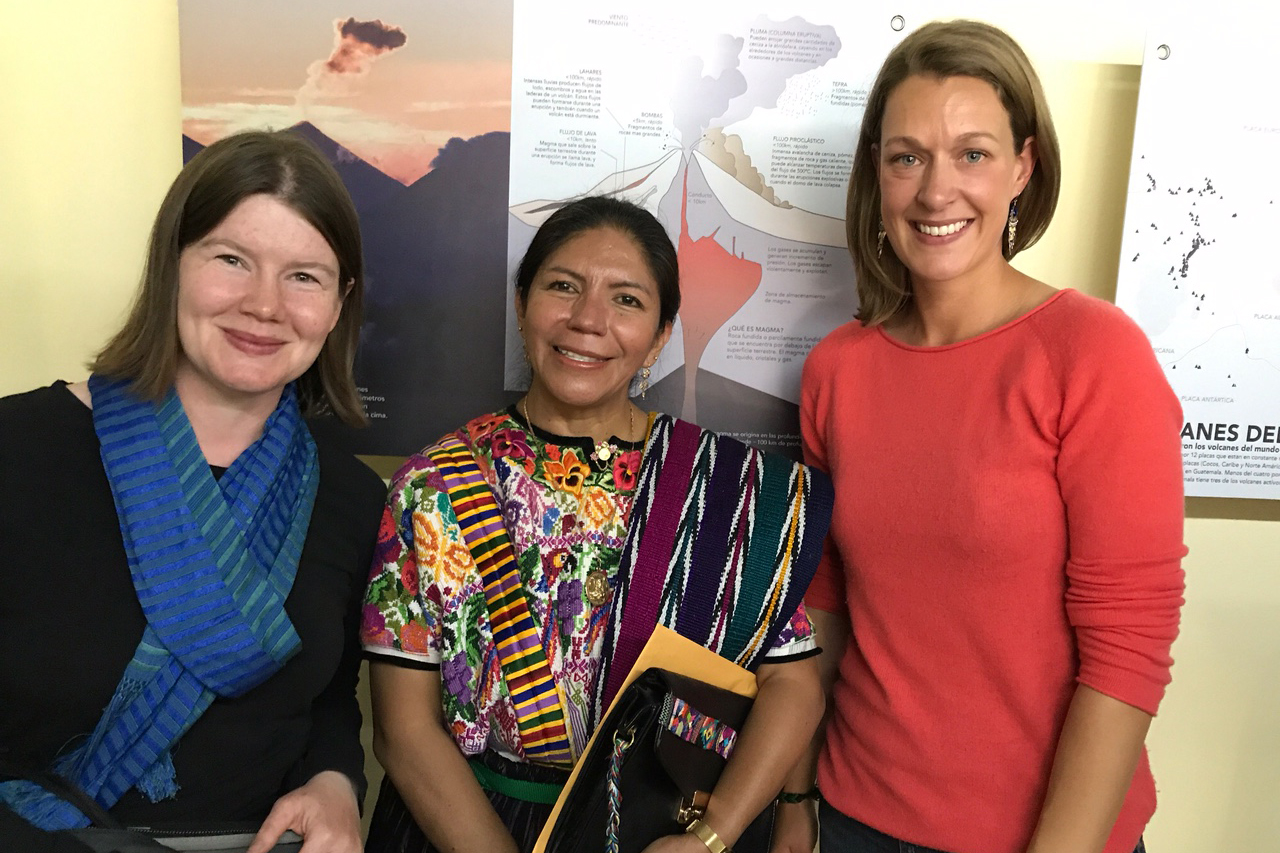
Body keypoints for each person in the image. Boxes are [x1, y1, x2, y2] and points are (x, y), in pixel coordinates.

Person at [783, 19, 1187, 853]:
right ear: (878, 174)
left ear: (1023, 168)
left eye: (972, 153)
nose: (937, 192)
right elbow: (824, 604)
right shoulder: (837, 370)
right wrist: (794, 796)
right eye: (907, 157)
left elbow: (1129, 647)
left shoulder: (1093, 353)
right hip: (856, 815)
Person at [361, 196, 832, 853]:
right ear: (523, 302)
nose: (587, 320)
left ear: (661, 335)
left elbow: (794, 681)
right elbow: (404, 731)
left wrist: (711, 835)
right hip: (464, 823)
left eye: (627, 300)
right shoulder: (431, 487)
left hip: (657, 826)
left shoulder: (729, 490)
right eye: (563, 286)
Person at [0, 130, 385, 853]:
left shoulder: (351, 497)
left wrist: (337, 779)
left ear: (339, 303)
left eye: (304, 276)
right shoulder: (17, 449)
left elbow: (328, 694)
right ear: (170, 266)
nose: (264, 304)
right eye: (232, 260)